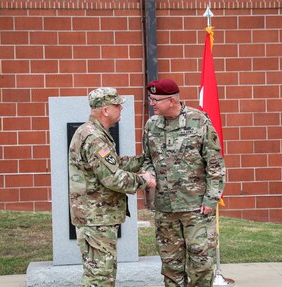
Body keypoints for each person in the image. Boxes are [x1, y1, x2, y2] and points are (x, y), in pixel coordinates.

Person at [69, 87, 156, 287]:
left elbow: (114, 164)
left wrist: (143, 160)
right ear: (106, 110)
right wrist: (145, 180)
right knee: (99, 279)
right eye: (118, 105)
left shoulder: (94, 132)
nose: (121, 109)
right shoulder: (94, 138)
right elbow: (113, 178)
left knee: (102, 275)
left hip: (97, 217)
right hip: (95, 218)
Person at [142, 79, 226, 287]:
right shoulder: (151, 125)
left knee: (201, 265)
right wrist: (149, 175)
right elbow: (147, 159)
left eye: (155, 99)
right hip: (165, 209)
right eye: (150, 98)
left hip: (196, 208)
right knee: (171, 266)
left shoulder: (199, 121)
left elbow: (215, 164)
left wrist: (211, 199)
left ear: (171, 100)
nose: (151, 103)